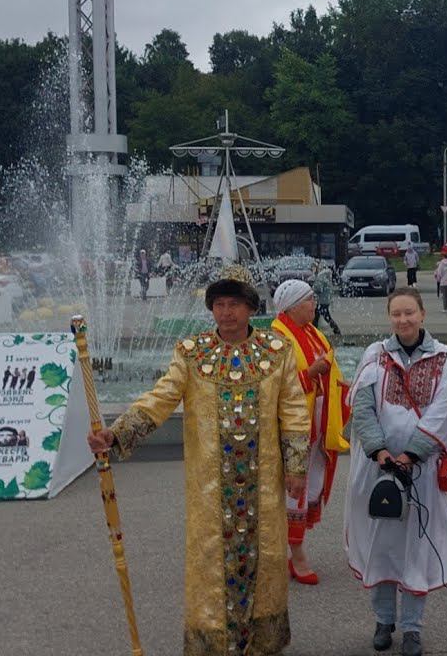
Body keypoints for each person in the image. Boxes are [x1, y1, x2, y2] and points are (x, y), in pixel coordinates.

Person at [87, 269, 310, 655]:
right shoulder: (192, 353)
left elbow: (293, 409)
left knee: (267, 558)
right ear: (211, 310)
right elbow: (162, 397)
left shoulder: (277, 352)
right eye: (220, 305)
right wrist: (118, 432)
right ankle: (214, 643)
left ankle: (261, 642)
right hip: (210, 489)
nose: (227, 313)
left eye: (235, 305)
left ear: (250, 309)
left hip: (264, 484)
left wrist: (295, 467)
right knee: (211, 563)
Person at [345, 287, 447, 656]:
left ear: (423, 314)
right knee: (382, 543)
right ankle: (383, 620)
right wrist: (380, 450)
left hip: (420, 470)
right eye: (396, 314)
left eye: (409, 312)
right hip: (377, 468)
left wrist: (412, 455)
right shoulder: (375, 356)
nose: (403, 320)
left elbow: (442, 411)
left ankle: (413, 627)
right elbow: (362, 406)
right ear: (389, 316)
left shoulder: (444, 358)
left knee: (417, 546)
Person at [270, 280, 350, 586]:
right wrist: (310, 374)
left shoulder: (312, 332)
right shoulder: (277, 336)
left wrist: (348, 391)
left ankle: (291, 548)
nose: (314, 304)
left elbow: (332, 371)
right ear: (291, 306)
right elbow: (273, 385)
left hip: (317, 424)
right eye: (308, 300)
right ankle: (297, 553)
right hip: (295, 427)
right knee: (295, 487)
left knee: (309, 484)